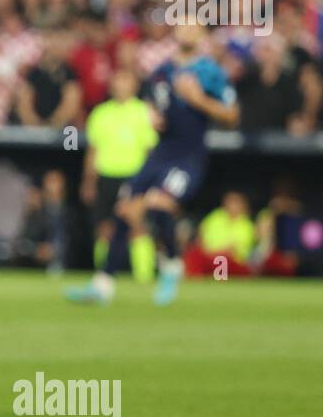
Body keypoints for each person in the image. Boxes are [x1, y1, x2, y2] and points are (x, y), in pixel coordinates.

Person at [67, 16, 239, 306]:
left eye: (193, 26)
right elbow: (153, 106)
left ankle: (172, 263)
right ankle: (103, 285)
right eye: (182, 25)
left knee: (160, 203)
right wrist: (153, 117)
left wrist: (199, 101)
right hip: (161, 152)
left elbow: (232, 116)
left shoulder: (210, 72)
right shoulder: (162, 72)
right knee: (124, 210)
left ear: (200, 35)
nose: (186, 30)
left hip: (188, 155)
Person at [80, 68, 158, 277]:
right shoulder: (100, 113)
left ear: (135, 84)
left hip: (134, 176)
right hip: (106, 176)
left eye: (126, 78)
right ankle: (103, 275)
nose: (120, 84)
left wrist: (152, 180)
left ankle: (144, 275)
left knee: (137, 225)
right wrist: (89, 181)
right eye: (117, 79)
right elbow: (92, 151)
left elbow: (151, 151)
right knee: (104, 228)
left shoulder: (145, 112)